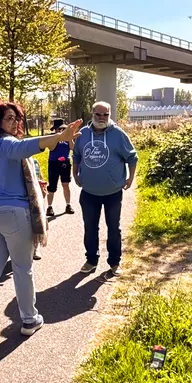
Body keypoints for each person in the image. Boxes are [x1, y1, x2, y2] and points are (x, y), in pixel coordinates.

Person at [0, 102, 82, 341]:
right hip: (12, 213)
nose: (15, 123)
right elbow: (29, 145)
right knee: (22, 267)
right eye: (9, 118)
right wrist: (59, 137)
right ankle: (30, 319)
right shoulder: (7, 144)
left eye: (17, 118)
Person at [73, 101, 138, 277]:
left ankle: (114, 262)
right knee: (90, 228)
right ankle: (91, 260)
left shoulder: (118, 134)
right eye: (98, 114)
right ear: (92, 114)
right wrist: (75, 172)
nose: (101, 118)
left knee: (113, 228)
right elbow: (76, 154)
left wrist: (130, 178)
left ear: (109, 115)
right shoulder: (83, 134)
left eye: (105, 115)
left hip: (112, 192)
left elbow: (132, 157)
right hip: (89, 192)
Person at [45, 118, 75, 218]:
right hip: (54, 163)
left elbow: (72, 148)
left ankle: (68, 205)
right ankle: (49, 207)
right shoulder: (52, 138)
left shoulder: (67, 138)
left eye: (63, 129)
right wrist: (58, 138)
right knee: (52, 186)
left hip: (65, 162)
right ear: (55, 130)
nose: (61, 131)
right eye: (59, 129)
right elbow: (52, 148)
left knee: (65, 184)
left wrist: (69, 137)